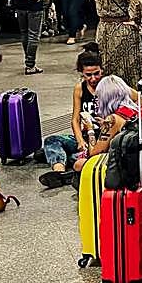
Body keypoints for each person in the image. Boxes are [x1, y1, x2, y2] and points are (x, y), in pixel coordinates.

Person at [39, 44, 103, 188]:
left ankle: (71, 168)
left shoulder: (108, 86)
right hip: (85, 137)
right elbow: (75, 119)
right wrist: (80, 140)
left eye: (97, 73)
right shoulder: (80, 88)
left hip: (102, 141)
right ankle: (60, 173)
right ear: (81, 73)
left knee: (79, 158)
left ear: (102, 70)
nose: (93, 78)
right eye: (88, 75)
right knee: (51, 140)